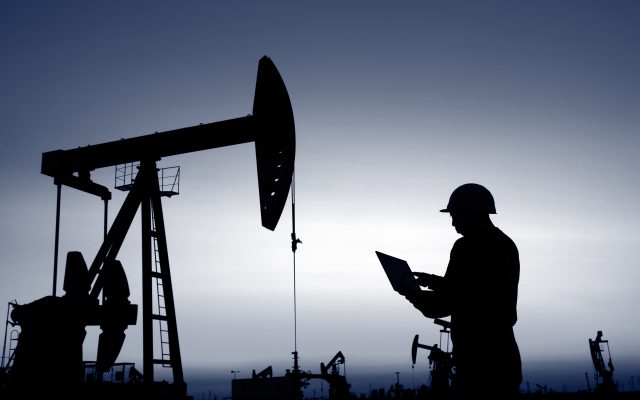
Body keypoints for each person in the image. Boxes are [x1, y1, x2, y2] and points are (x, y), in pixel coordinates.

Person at [402, 183, 522, 398]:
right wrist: (434, 281)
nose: (453, 222)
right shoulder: (505, 244)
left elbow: (445, 304)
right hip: (503, 359)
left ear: (471, 213)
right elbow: (474, 290)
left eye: (455, 216)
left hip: (478, 366)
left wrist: (410, 292)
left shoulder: (466, 248)